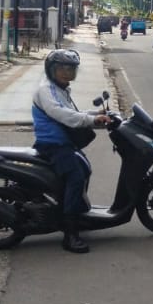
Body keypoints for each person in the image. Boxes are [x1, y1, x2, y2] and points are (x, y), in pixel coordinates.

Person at [33, 48, 108, 254]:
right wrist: (92, 119)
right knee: (75, 177)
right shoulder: (45, 90)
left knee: (84, 169)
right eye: (62, 69)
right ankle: (70, 234)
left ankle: (77, 212)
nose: (67, 73)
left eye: (71, 69)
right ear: (51, 70)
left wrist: (98, 113)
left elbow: (73, 112)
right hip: (52, 145)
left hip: (63, 144)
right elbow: (61, 114)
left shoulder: (60, 89)